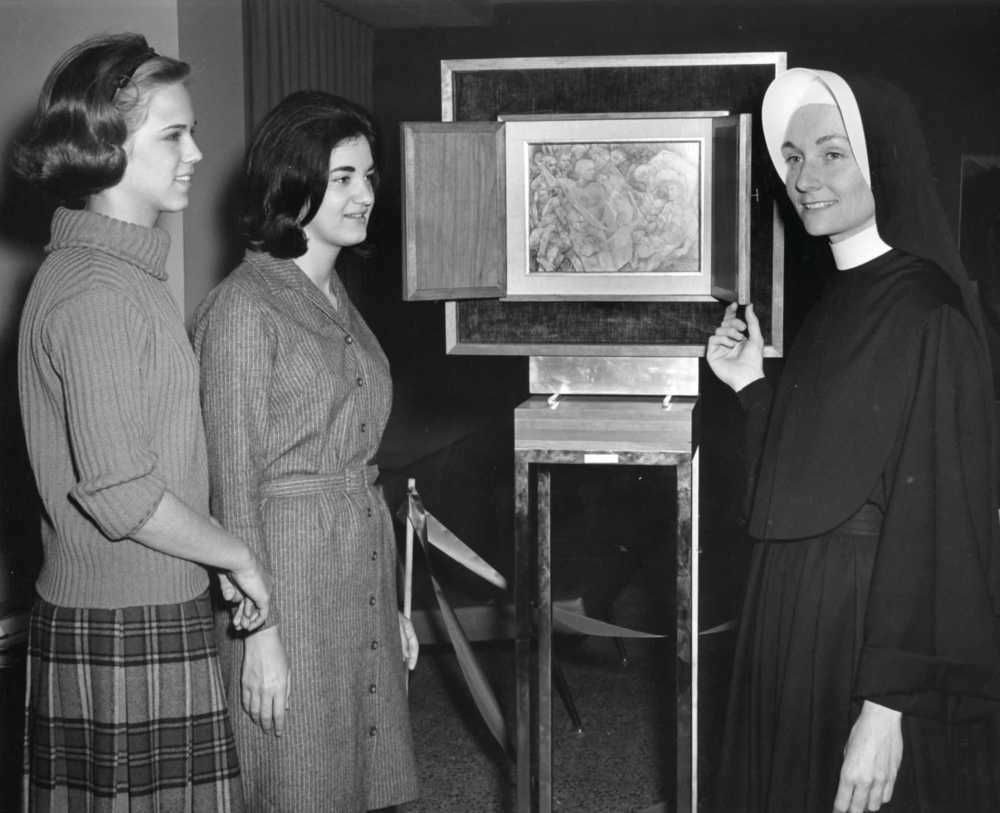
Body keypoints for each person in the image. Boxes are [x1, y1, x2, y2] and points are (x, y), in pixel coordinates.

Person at [706, 68, 1000, 813]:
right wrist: (750, 386)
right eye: (795, 158)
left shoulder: (929, 312)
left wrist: (888, 703)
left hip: (864, 629)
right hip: (793, 613)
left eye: (832, 154)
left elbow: (939, 524)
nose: (805, 178)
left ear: (883, 159)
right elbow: (817, 477)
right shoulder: (835, 299)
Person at [12, 32, 271, 811]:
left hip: (150, 600)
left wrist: (212, 558)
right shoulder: (95, 291)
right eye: (172, 134)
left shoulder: (127, 272)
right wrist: (239, 556)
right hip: (122, 618)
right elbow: (124, 495)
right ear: (103, 148)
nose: (195, 150)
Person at [192, 91, 420, 812]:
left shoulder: (334, 295)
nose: (364, 195)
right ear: (294, 186)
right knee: (300, 782)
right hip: (287, 579)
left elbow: (356, 456)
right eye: (344, 178)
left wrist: (391, 606)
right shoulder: (243, 307)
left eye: (370, 177)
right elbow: (231, 485)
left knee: (354, 779)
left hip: (353, 569)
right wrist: (259, 633)